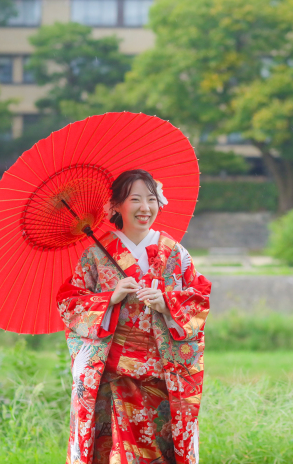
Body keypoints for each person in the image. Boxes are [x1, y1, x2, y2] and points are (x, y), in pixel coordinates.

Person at [56, 169, 211, 464]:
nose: (145, 208)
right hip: (111, 375)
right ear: (116, 206)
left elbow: (199, 298)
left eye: (151, 199)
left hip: (161, 375)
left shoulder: (175, 253)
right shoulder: (96, 255)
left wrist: (166, 303)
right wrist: (109, 298)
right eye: (135, 199)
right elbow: (69, 303)